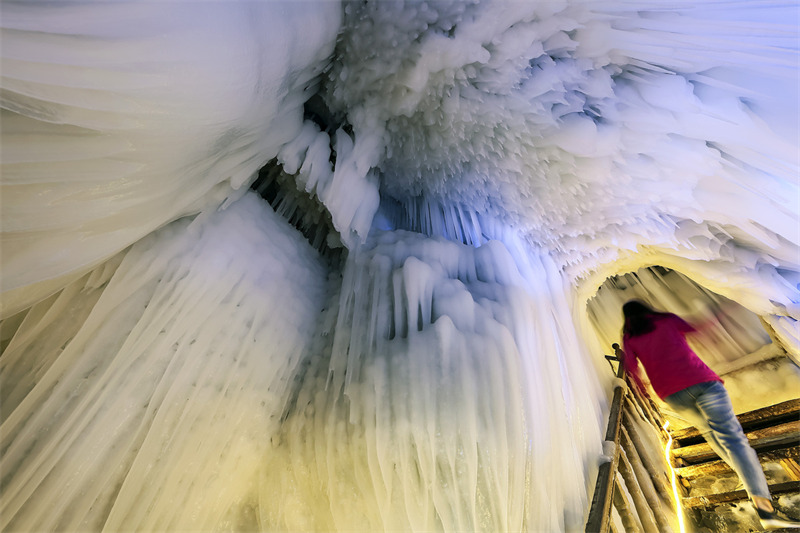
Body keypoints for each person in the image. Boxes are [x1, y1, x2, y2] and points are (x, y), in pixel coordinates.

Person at [620, 299, 799, 530]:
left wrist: (645, 391)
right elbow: (698, 327)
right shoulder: (665, 320)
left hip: (673, 396)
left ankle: (747, 478)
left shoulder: (630, 337)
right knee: (734, 440)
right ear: (647, 309)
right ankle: (765, 509)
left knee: (712, 435)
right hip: (702, 383)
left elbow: (631, 369)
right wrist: (721, 311)